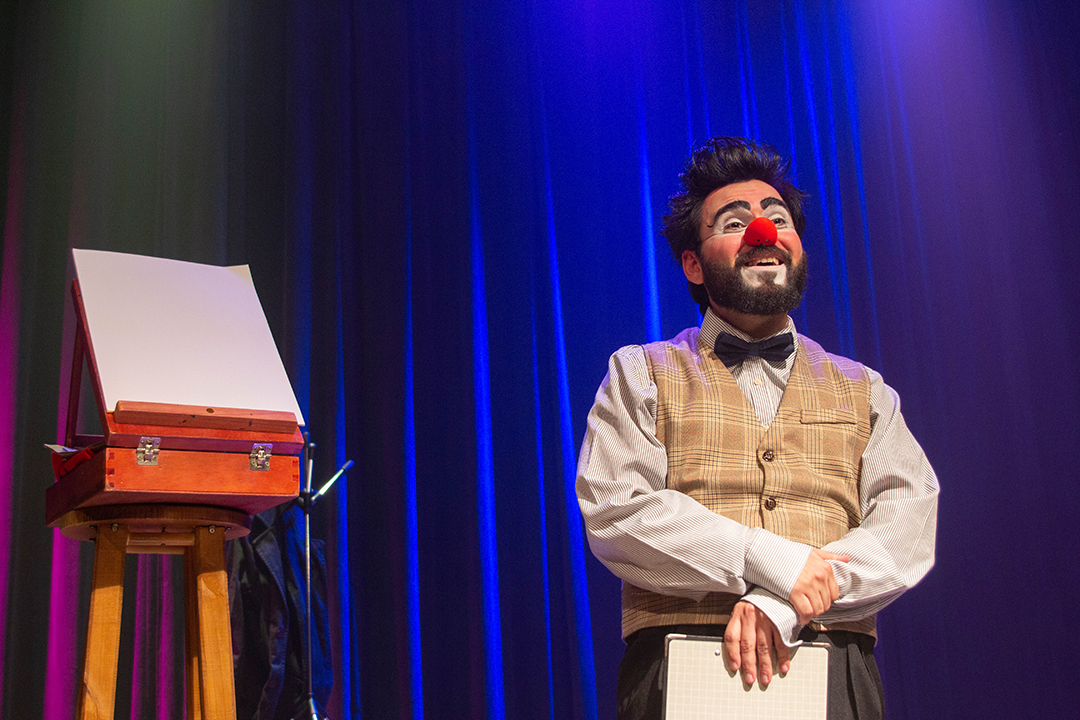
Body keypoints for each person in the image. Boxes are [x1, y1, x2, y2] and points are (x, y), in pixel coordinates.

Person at [576, 137, 938, 720]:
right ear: (693, 262)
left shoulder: (867, 390)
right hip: (678, 670)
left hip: (832, 668)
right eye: (734, 222)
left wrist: (788, 600)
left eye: (778, 219)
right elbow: (617, 509)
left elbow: (908, 527)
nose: (763, 232)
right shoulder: (639, 373)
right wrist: (763, 555)